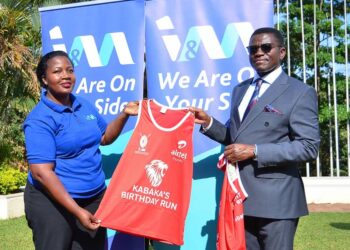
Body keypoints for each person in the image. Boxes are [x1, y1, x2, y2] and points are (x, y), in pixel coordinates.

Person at [190, 27, 320, 249]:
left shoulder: (300, 92)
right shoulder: (240, 90)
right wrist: (208, 123)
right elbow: (236, 136)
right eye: (253, 49)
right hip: (240, 199)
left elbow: (308, 147)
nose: (259, 52)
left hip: (277, 202)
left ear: (282, 52)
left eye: (266, 47)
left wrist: (255, 151)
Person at [23, 50, 139, 250]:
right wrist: (77, 211)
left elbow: (104, 138)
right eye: (57, 71)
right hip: (51, 203)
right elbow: (41, 172)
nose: (66, 75)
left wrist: (124, 115)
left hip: (93, 198)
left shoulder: (83, 105)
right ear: (44, 79)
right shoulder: (39, 119)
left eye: (70, 70)